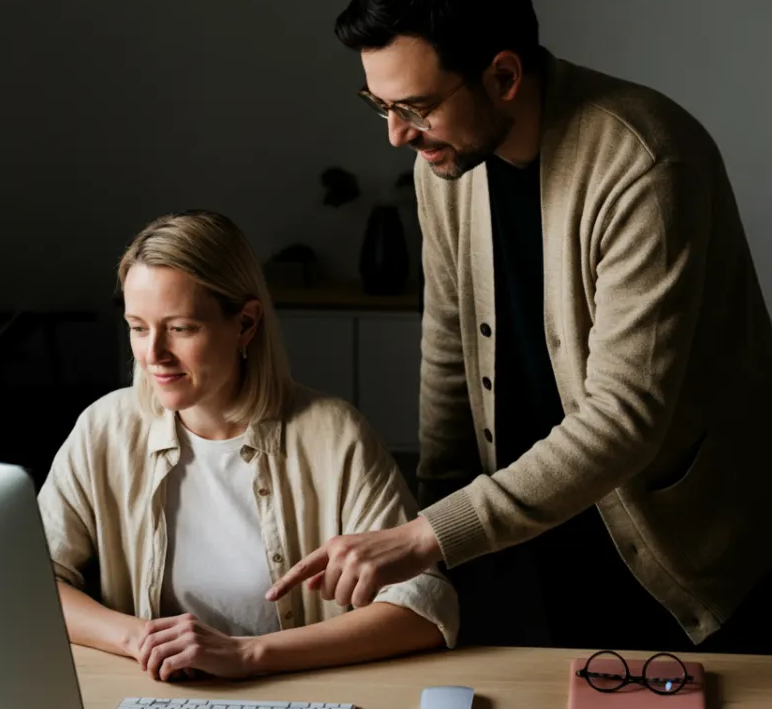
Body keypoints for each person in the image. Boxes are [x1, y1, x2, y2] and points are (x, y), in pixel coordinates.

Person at [269, 0, 772, 654]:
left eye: (417, 106)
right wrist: (435, 515)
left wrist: (429, 534)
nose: (397, 135)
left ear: (504, 76)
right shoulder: (445, 163)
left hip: (693, 536)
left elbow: (622, 417)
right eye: (380, 105)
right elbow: (448, 345)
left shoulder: (646, 163)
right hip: (555, 525)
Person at [37, 210, 457, 681]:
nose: (153, 354)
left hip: (303, 704)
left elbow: (424, 605)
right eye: (138, 327)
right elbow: (31, 580)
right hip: (154, 702)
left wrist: (249, 655)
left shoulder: (334, 435)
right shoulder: (103, 429)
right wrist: (138, 639)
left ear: (246, 323)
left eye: (180, 328)